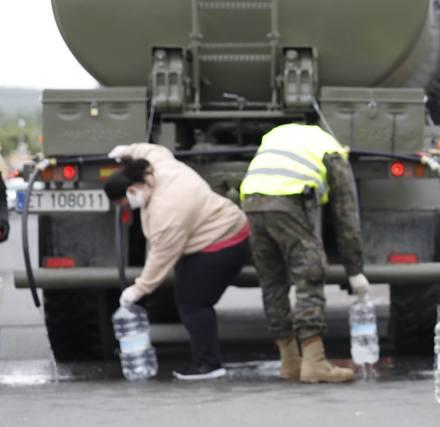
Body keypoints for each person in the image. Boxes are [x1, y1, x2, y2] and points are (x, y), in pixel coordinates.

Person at [103, 144, 251, 380]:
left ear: (132, 190)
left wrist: (139, 289)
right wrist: (127, 150)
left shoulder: (166, 209)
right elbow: (151, 150)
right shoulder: (158, 167)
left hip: (224, 240)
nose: (124, 209)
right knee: (188, 293)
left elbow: (161, 256)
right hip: (219, 230)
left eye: (123, 203)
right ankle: (207, 360)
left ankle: (209, 365)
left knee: (193, 302)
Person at [240, 123, 367, 384]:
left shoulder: (276, 135)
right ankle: (315, 362)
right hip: (288, 200)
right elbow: (346, 217)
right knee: (309, 272)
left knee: (272, 281)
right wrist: (355, 271)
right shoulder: (332, 150)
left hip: (251, 200)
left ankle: (289, 361)